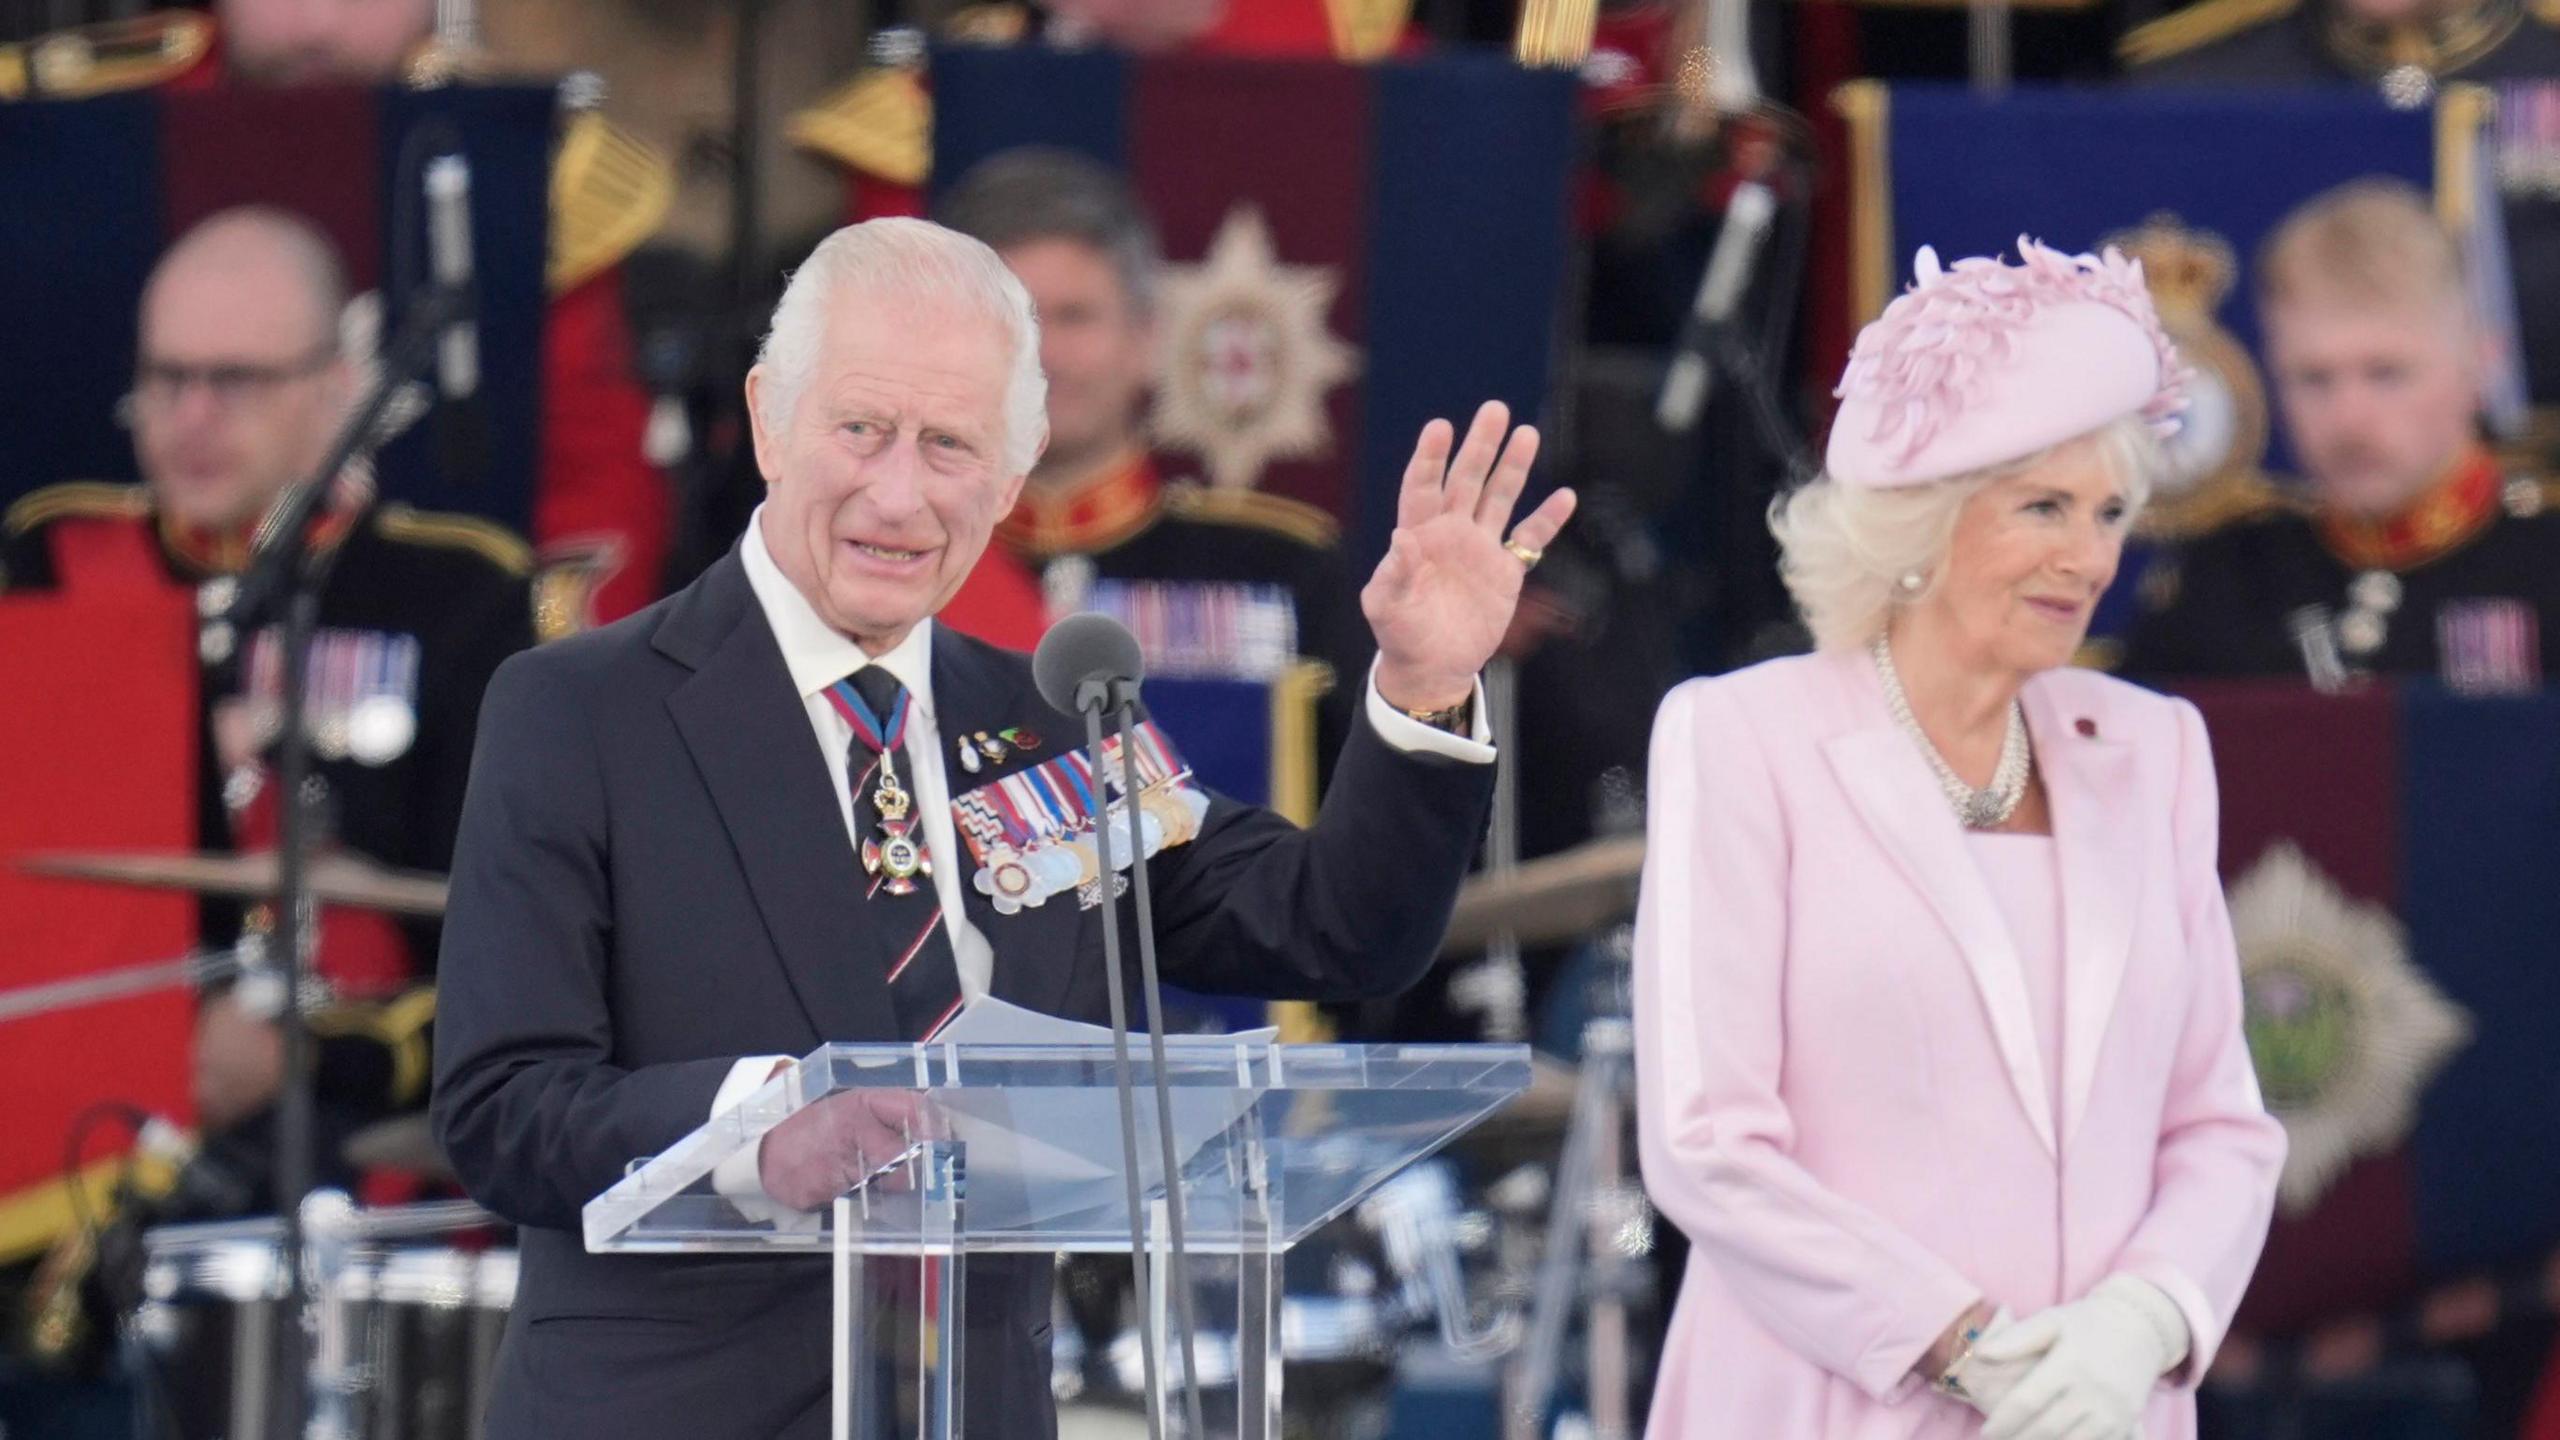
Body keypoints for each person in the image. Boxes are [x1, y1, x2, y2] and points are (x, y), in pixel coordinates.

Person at [428, 215, 1574, 1440]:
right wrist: (763, 1128)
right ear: (769, 417)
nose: (899, 492)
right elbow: (504, 1105)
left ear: (1013, 475)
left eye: (951, 445)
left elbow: (1333, 929)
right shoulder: (579, 709)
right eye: (860, 429)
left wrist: (1420, 685)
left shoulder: (1047, 720)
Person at [1633, 237, 2286, 1439]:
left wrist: (2133, 1328)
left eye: (2106, 513)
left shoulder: (2153, 751)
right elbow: (1706, 1143)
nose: (2088, 558)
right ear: (1919, 524)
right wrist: (1973, 1353)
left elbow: (2220, 1125)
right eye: (2042, 507)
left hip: (2099, 1415)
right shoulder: (1742, 738)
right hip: (1827, 1403)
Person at [0, 0, 678, 626]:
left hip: (425, 697)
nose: (315, 21)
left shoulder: (514, 159)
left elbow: (595, 486)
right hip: (94, 666)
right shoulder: (66, 137)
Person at [935, 146, 1369, 760]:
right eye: (1013, 322)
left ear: (1144, 339)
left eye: (1075, 317)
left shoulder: (1280, 569)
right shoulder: (904, 557)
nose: (1044, 355)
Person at [2122, 180, 2560, 689]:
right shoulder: (2225, 581)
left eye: (2386, 373)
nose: (2349, 416)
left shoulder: (2547, 570)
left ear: (2482, 365)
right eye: (2314, 378)